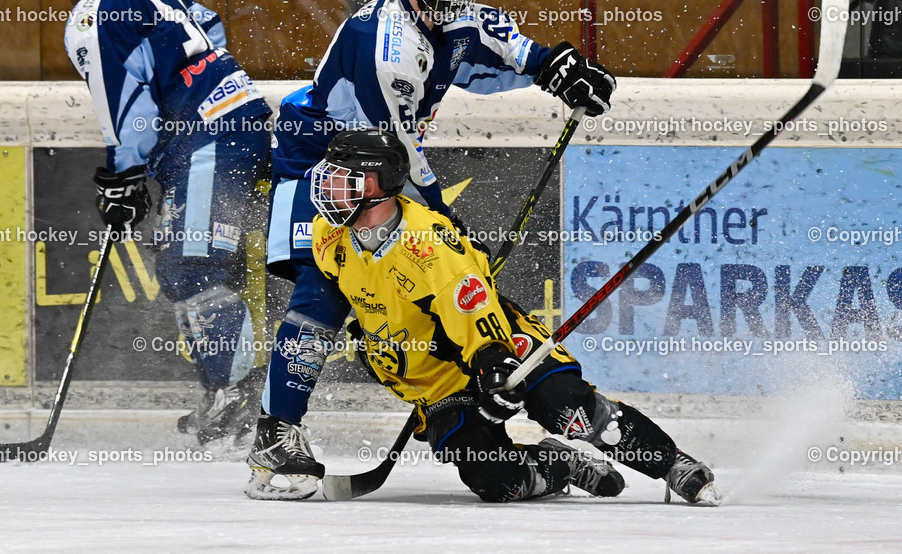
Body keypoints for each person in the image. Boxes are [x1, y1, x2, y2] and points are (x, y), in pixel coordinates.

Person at [248, 0, 617, 498]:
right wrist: (442, 222)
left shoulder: (460, 16)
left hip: (379, 158)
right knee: (321, 289)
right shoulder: (384, 49)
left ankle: (471, 392)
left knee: (433, 282)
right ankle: (276, 435)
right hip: (319, 158)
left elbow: (517, 56)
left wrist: (560, 70)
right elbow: (392, 161)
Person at [268, 128, 720, 505]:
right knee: (495, 480)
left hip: (505, 345)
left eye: (348, 176)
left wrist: (492, 367)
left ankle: (671, 462)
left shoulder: (431, 249)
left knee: (571, 412)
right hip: (436, 382)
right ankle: (558, 464)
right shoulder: (330, 235)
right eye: (331, 173)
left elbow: (479, 324)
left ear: (381, 183)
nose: (329, 184)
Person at [44, 0, 271, 443]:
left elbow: (130, 112)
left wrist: (123, 177)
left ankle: (240, 397)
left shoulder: (95, 12)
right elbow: (208, 24)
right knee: (195, 263)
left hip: (209, 136)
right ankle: (230, 391)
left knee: (193, 265)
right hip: (226, 125)